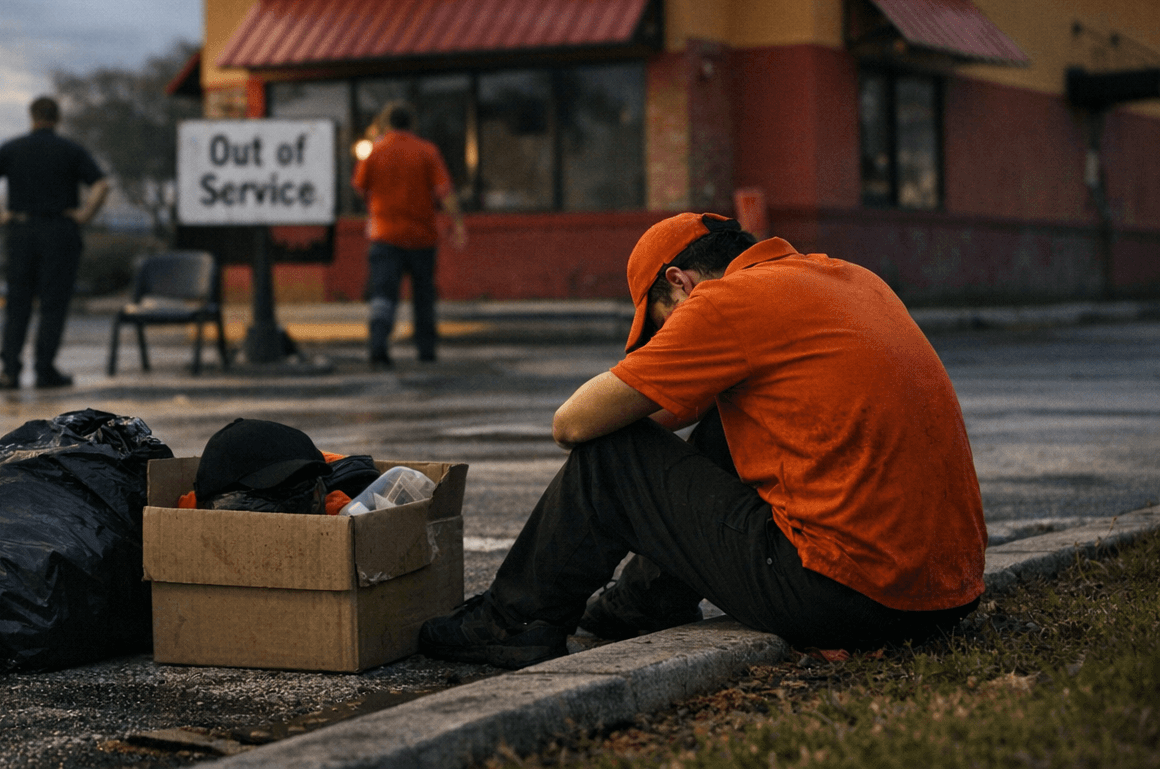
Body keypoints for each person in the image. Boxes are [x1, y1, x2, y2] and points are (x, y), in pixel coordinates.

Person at [419, 212, 987, 668]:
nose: (666, 338)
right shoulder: (848, 278)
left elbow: (572, 424)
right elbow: (673, 426)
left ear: (679, 283)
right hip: (945, 594)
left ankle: (513, 623)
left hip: (846, 596)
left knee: (611, 458)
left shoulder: (725, 302)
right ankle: (644, 603)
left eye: (662, 326)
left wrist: (647, 390)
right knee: (724, 419)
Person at [0, 96, 109, 390]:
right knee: (53, 304)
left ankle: (9, 371)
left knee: (17, 303)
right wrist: (85, 214)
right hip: (60, 231)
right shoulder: (71, 150)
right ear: (57, 118)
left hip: (21, 231)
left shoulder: (12, 148)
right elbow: (101, 184)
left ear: (31, 117)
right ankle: (45, 370)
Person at [351, 101, 466, 367]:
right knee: (423, 296)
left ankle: (378, 346)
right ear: (411, 124)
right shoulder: (427, 151)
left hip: (385, 235)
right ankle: (426, 351)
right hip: (421, 237)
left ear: (387, 123)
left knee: (383, 296)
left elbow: (359, 187)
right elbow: (444, 192)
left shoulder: (376, 151)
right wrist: (457, 224)